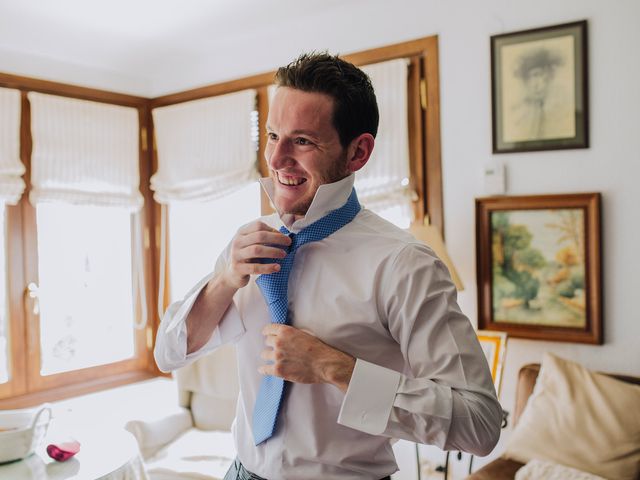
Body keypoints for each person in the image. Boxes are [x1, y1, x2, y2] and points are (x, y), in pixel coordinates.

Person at [155, 52, 502, 480]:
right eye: (272, 135)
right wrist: (226, 279)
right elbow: (168, 353)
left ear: (358, 152)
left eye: (302, 141)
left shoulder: (404, 265)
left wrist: (333, 367)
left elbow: (480, 423)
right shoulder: (246, 244)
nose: (277, 159)